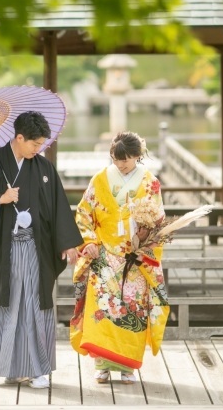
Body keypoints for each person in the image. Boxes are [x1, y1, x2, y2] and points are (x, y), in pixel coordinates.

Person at [0, 111, 82, 389]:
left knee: (33, 305)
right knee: (8, 305)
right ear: (19, 137)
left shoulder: (43, 168)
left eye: (41, 144)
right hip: (5, 250)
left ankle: (38, 369)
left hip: (35, 248)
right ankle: (10, 368)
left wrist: (66, 241)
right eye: (34, 144)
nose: (38, 149)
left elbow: (58, 206)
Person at [69, 131, 169, 385]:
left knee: (132, 311)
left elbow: (158, 221)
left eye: (125, 159)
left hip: (135, 258)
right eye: (116, 159)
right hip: (104, 255)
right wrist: (89, 241)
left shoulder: (149, 182)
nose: (120, 164)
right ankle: (101, 365)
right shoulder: (100, 179)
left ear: (137, 155)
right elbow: (83, 212)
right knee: (102, 310)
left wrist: (145, 244)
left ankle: (127, 367)